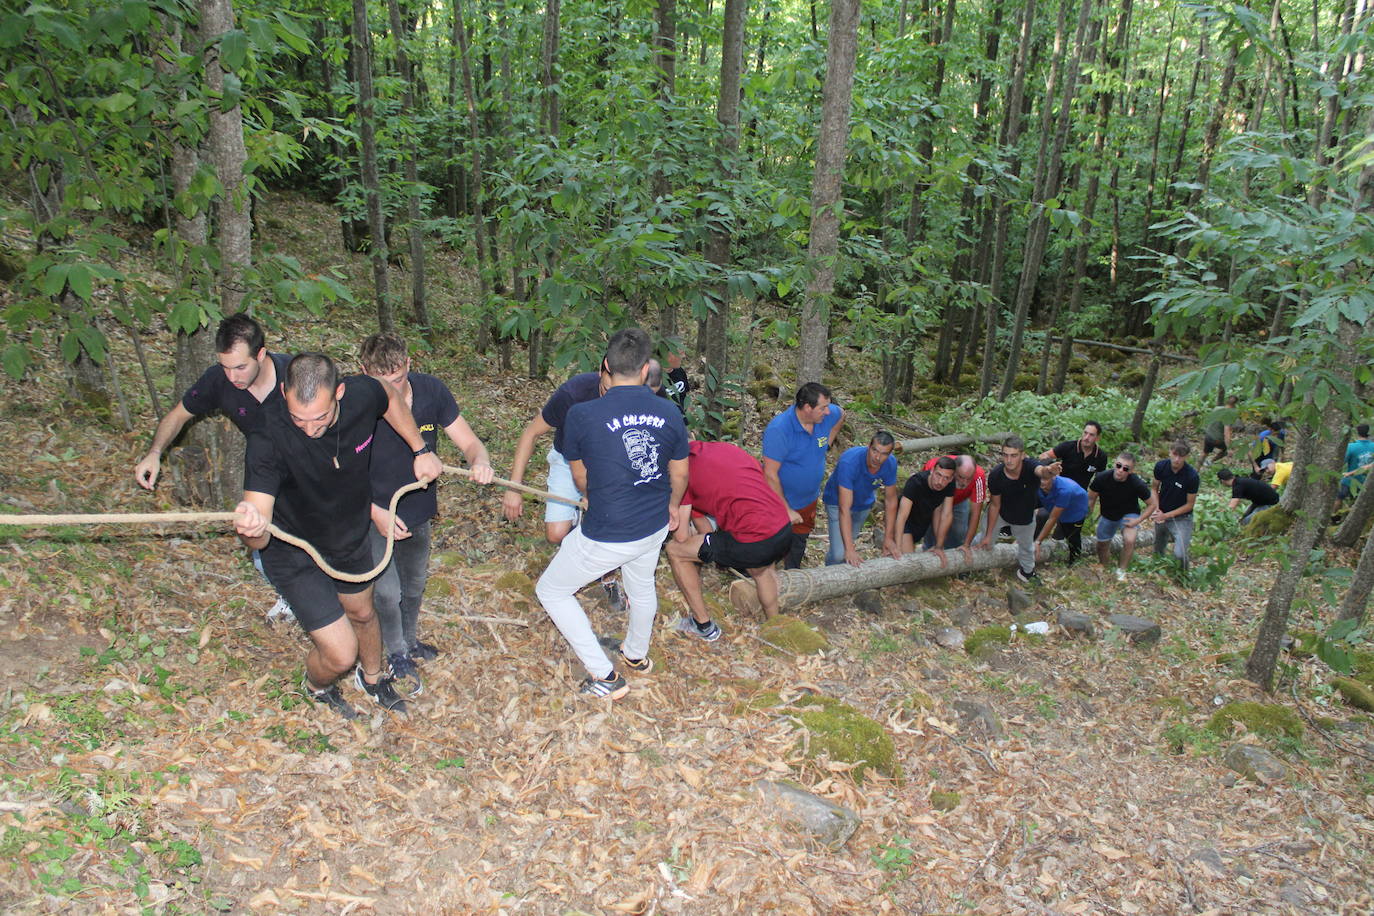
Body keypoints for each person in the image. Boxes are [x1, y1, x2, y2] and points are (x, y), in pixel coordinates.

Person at [233, 353, 443, 718]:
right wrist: (252, 529)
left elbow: (390, 398)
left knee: (363, 613)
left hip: (347, 534)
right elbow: (259, 537)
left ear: (340, 394)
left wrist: (419, 449)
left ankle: (373, 678)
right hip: (294, 549)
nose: (310, 429)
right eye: (299, 418)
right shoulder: (266, 436)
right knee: (340, 653)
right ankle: (317, 686)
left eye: (320, 418)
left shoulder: (361, 396)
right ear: (284, 393)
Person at [534, 329, 689, 699]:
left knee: (551, 591)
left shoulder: (582, 414)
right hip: (653, 524)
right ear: (644, 370)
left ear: (606, 365)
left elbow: (581, 476)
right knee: (641, 585)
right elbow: (680, 473)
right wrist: (671, 507)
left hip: (609, 529)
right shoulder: (669, 411)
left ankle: (605, 675)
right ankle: (636, 654)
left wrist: (596, 496)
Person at [133, 313, 296, 621]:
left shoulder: (296, 373)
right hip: (266, 475)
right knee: (261, 543)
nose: (232, 376)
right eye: (225, 366)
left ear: (261, 354)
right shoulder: (218, 380)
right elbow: (178, 415)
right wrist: (154, 452)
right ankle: (291, 597)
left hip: (309, 468)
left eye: (240, 366)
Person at [359, 333, 494, 696]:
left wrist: (479, 461)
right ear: (363, 372)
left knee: (414, 583)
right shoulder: (354, 402)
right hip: (372, 510)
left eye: (398, 379)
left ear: (408, 365)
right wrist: (374, 511)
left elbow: (468, 441)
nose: (389, 391)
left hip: (417, 509)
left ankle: (410, 639)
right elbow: (337, 471)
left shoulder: (432, 391)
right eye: (380, 383)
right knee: (386, 592)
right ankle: (395, 653)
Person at [501, 365, 629, 611]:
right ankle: (581, 529)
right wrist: (514, 487)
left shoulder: (637, 394)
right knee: (556, 534)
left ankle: (607, 576)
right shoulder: (575, 392)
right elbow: (531, 433)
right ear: (602, 371)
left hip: (607, 465)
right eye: (606, 389)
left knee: (606, 524)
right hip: (566, 461)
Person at [666, 441, 792, 630]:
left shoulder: (682, 474)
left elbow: (682, 537)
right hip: (782, 527)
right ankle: (774, 626)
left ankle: (703, 626)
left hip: (753, 539)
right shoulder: (725, 449)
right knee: (762, 570)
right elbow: (706, 531)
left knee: (675, 550)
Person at [762, 382, 845, 568]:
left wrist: (827, 443)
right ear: (807, 407)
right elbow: (770, 474)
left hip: (808, 500)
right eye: (823, 408)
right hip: (779, 503)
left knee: (799, 541)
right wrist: (786, 509)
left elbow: (841, 414)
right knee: (771, 543)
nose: (828, 412)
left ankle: (793, 574)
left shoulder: (826, 417)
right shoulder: (780, 430)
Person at [980, 436, 1061, 582]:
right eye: (1005, 455)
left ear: (1022, 455)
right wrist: (988, 534)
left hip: (1024, 518)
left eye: (1014, 455)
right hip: (1001, 514)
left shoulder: (1030, 466)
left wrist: (1049, 470)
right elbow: (994, 505)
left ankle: (1027, 573)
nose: (1009, 460)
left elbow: (1041, 471)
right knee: (983, 541)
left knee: (1026, 549)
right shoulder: (996, 475)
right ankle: (968, 563)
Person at [821, 432, 900, 566]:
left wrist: (888, 537)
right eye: (875, 451)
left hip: (863, 504)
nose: (877, 457)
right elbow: (844, 509)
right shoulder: (850, 462)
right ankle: (828, 574)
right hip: (837, 503)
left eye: (884, 454)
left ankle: (842, 575)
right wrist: (850, 549)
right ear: (869, 446)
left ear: (890, 454)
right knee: (839, 553)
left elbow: (891, 501)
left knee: (846, 546)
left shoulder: (890, 464)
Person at [1087, 451, 1157, 580]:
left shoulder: (1136, 483)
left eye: (1125, 468)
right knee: (1102, 545)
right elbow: (1091, 498)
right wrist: (1088, 514)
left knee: (1129, 540)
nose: (1120, 470)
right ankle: (1105, 567)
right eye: (1118, 466)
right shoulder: (1102, 478)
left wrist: (1138, 520)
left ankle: (1121, 570)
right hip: (1108, 515)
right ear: (1114, 464)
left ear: (1130, 471)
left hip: (1128, 515)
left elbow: (1152, 504)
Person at [894, 457, 958, 565]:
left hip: (922, 520)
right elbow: (902, 516)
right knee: (909, 562)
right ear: (932, 471)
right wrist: (897, 546)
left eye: (946, 478)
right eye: (938, 475)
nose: (940, 482)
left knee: (914, 555)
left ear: (951, 479)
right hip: (905, 521)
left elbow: (946, 514)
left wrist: (939, 546)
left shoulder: (950, 485)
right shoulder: (915, 482)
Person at [922, 454, 988, 551]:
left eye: (969, 479)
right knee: (931, 527)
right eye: (961, 477)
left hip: (960, 500)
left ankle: (953, 554)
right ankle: (929, 549)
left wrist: (966, 544)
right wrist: (938, 545)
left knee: (959, 531)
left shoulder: (979, 476)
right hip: (934, 498)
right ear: (953, 471)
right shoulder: (936, 470)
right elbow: (936, 509)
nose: (964, 483)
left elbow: (976, 513)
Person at [1152, 440, 1200, 571]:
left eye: (1181, 456)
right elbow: (1154, 488)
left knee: (1180, 554)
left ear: (1186, 457)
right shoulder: (1161, 467)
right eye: (1174, 454)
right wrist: (1156, 509)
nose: (1177, 459)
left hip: (1182, 518)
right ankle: (1157, 570)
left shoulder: (1192, 476)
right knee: (1158, 546)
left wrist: (1166, 515)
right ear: (1170, 452)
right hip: (1161, 512)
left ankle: (1183, 576)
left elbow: (1190, 505)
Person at [1034, 471, 1090, 565]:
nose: (1042, 482)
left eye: (1045, 479)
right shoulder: (1037, 484)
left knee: (1072, 536)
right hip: (1053, 502)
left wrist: (1039, 542)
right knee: (1040, 516)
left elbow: (1053, 518)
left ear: (1053, 477)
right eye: (1040, 478)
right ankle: (1032, 545)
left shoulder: (1065, 490)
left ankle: (1075, 560)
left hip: (1075, 510)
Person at [1039, 421, 1108, 490]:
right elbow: (1043, 456)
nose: (1087, 437)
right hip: (1060, 488)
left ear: (1098, 438)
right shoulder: (1068, 447)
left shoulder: (1101, 456)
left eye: (1091, 435)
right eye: (1085, 433)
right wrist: (1051, 466)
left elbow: (1099, 479)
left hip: (1080, 493)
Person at [1337, 424, 1374, 513]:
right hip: (1367, 482)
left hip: (1349, 480)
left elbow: (1341, 463)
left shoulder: (1351, 446)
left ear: (1357, 432)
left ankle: (1334, 517)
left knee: (1339, 497)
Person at [1201, 396, 1239, 464]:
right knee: (1225, 450)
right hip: (1216, 440)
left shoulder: (1217, 408)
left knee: (1205, 453)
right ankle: (1211, 461)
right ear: (1234, 405)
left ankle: (1197, 468)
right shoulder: (1228, 415)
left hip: (1208, 435)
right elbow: (1226, 432)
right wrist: (1229, 448)